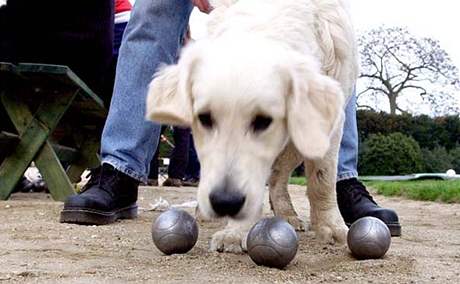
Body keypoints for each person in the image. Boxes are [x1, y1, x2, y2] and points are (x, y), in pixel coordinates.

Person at [60, 0, 401, 237]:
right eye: (205, 119)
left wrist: (321, 205)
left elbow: (327, 99)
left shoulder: (313, 72)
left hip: (313, 33)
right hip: (239, 21)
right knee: (157, 6)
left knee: (337, 71)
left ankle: (334, 191)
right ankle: (121, 168)